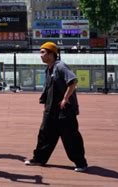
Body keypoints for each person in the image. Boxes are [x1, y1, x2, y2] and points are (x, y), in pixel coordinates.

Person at [25, 42, 88, 172]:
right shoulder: (48, 69)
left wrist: (65, 98)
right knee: (45, 135)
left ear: (52, 54)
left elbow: (73, 81)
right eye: (40, 52)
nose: (40, 55)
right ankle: (39, 159)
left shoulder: (60, 66)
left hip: (65, 110)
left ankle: (81, 163)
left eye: (43, 52)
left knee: (70, 137)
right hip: (51, 110)